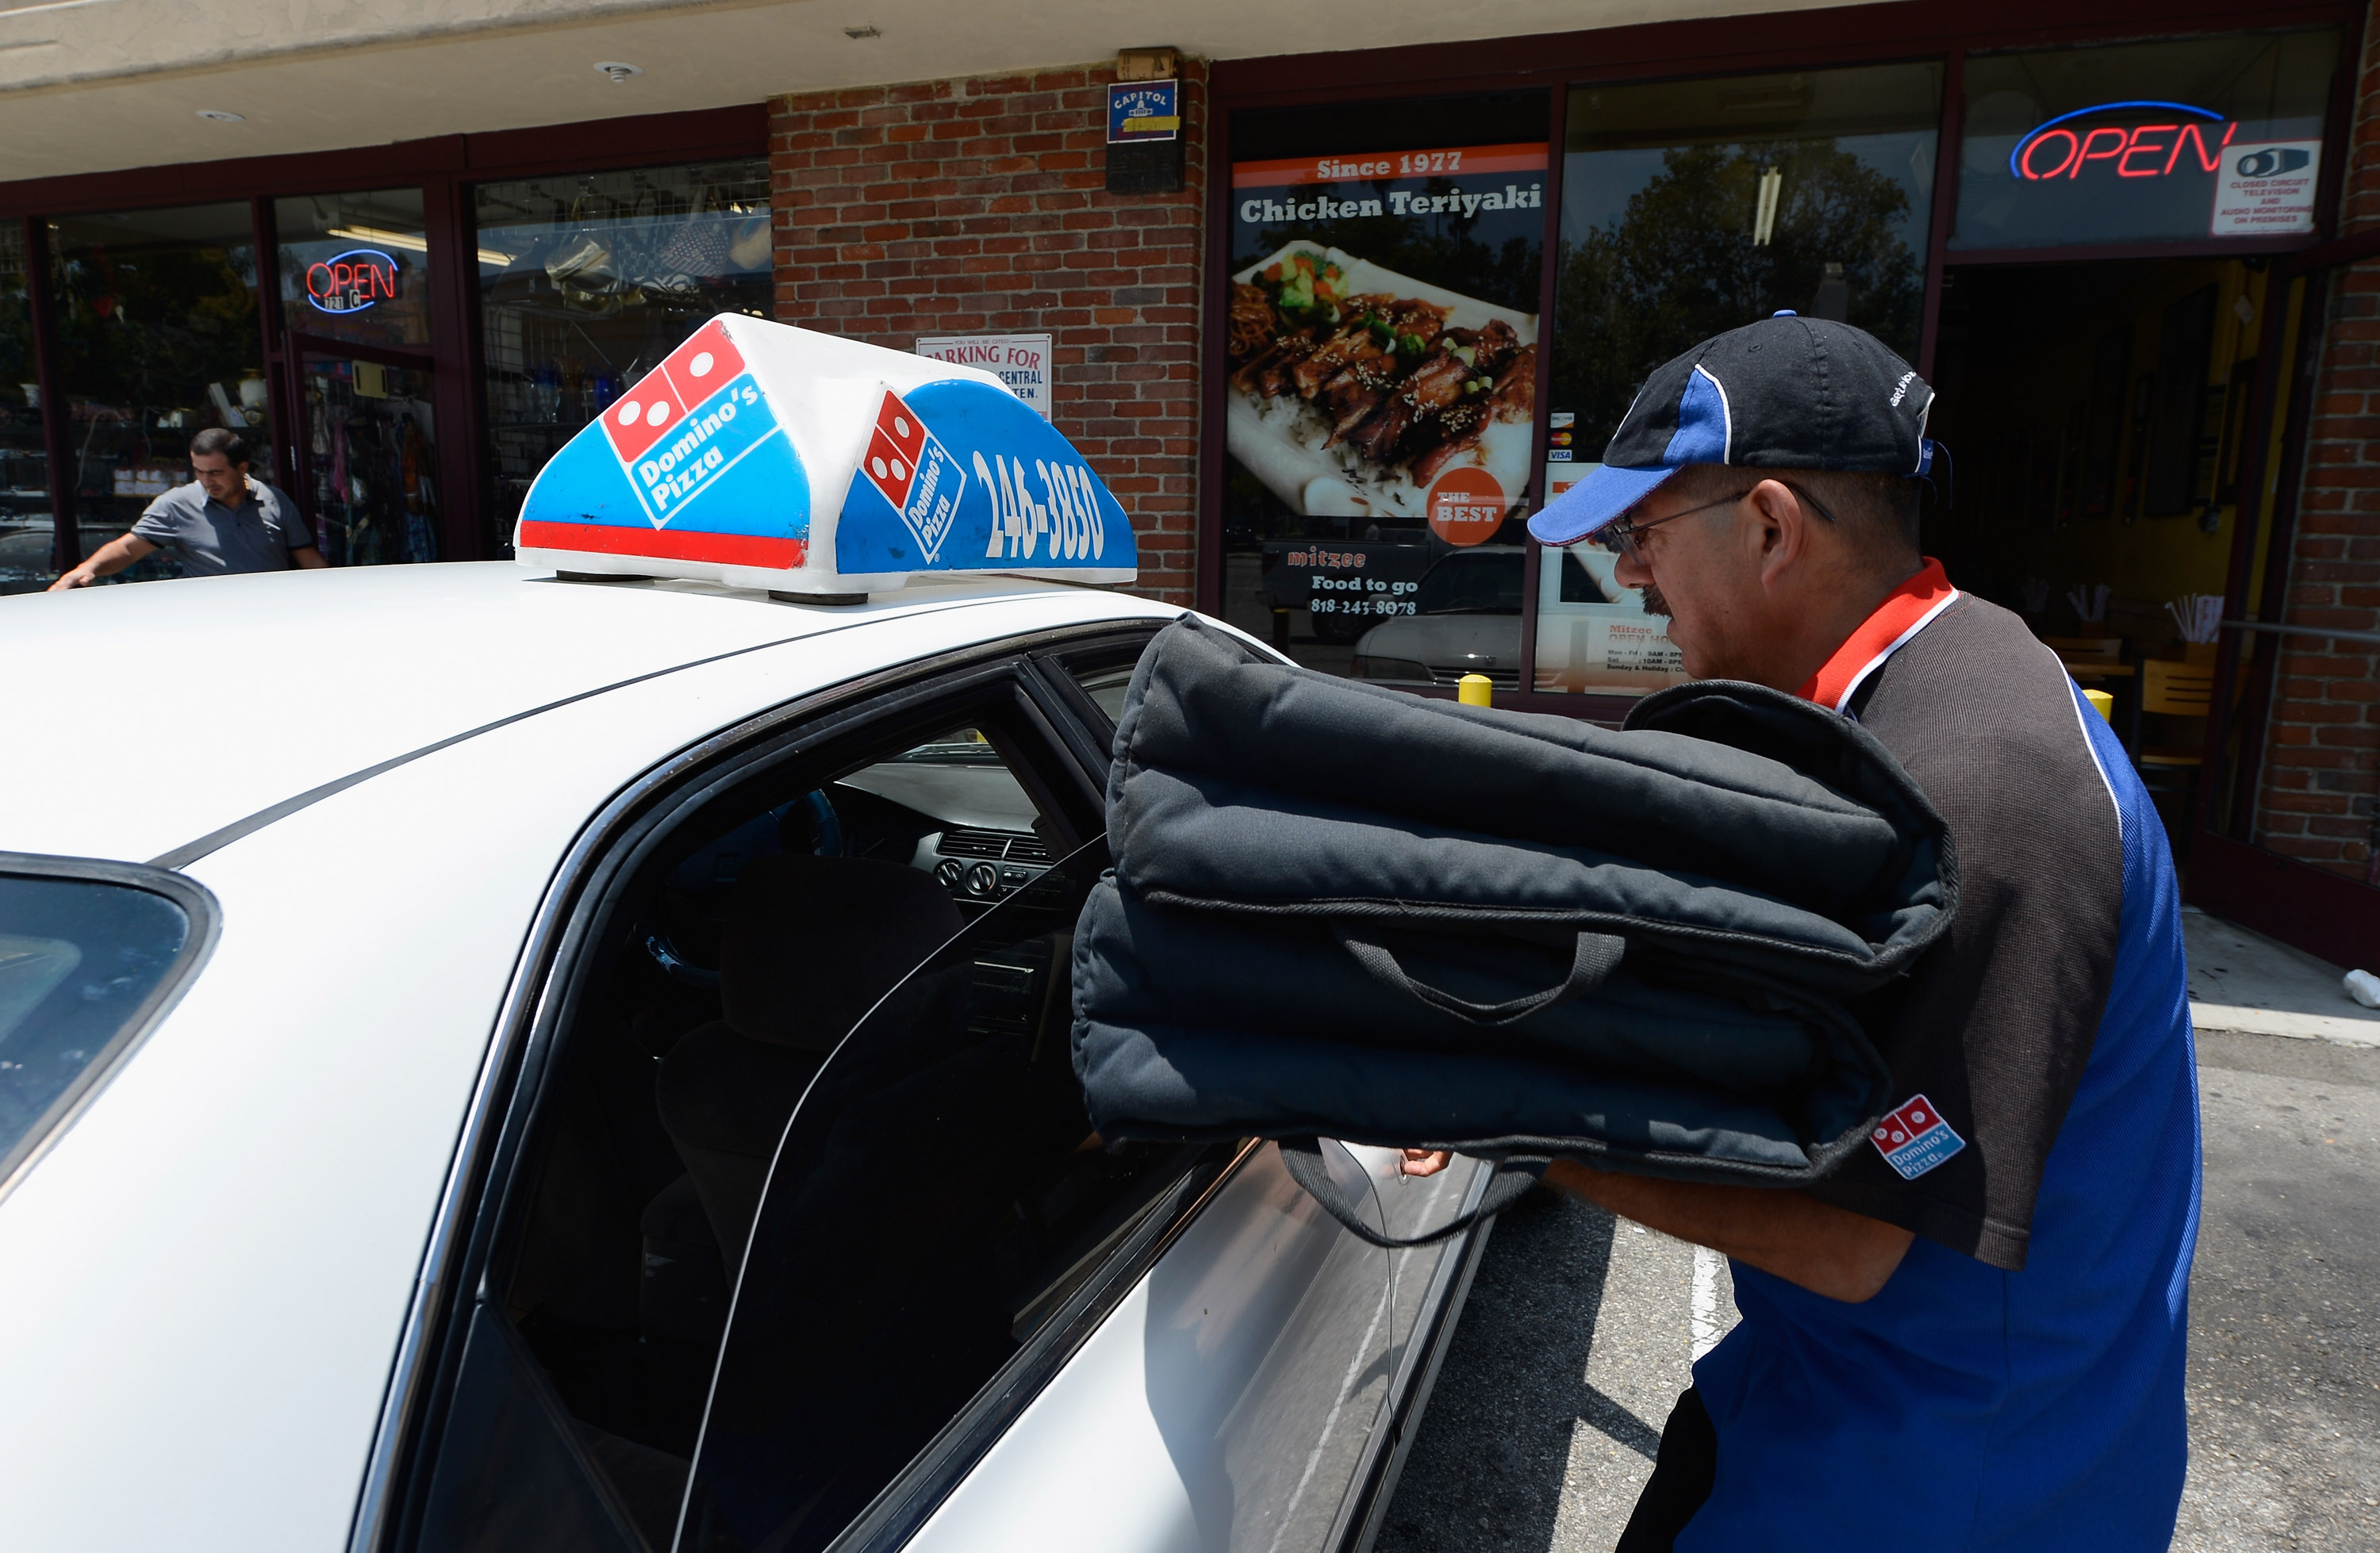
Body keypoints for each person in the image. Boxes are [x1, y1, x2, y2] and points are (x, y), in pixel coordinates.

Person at [1405, 314, 2199, 1549]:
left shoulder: (1983, 787)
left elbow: (1845, 1238)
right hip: (1828, 1389)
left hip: (1954, 1481)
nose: (1630, 574)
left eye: (1641, 533)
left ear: (1772, 527)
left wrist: (1480, 1115)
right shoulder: (1915, 696)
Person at [48, 428, 326, 589]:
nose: (206, 481)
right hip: (208, 621)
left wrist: (334, 593)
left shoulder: (274, 499)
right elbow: (129, 548)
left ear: (242, 468)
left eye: (215, 473)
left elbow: (309, 560)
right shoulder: (177, 503)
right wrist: (88, 568)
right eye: (199, 472)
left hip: (273, 617)